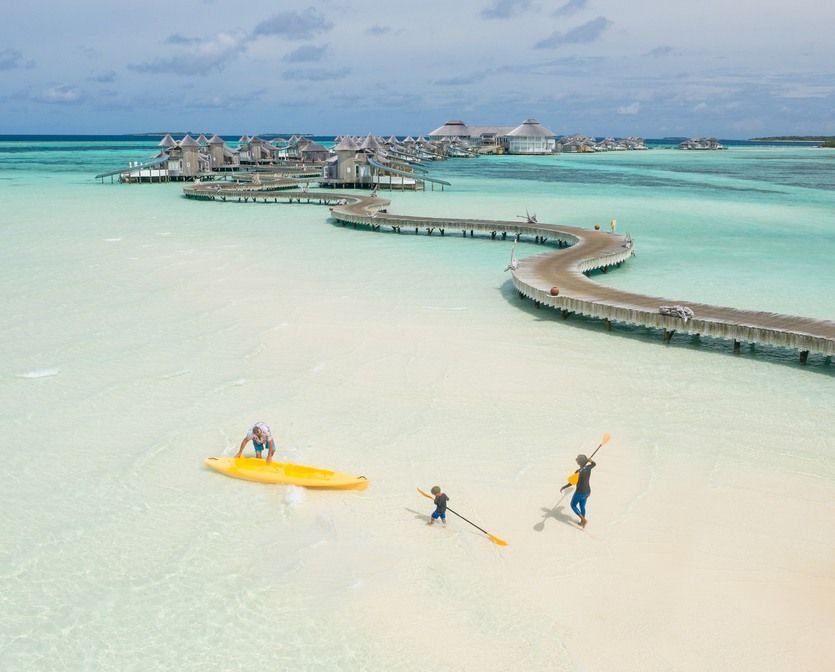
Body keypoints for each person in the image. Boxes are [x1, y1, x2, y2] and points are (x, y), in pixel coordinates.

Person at [569, 454, 596, 528]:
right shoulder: (588, 467)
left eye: (577, 459)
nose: (576, 460)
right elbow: (594, 464)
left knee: (573, 505)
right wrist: (590, 460)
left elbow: (572, 483)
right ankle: (582, 523)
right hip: (587, 492)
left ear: (579, 462)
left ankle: (583, 519)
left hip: (579, 492)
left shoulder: (578, 472)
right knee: (582, 506)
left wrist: (564, 487)